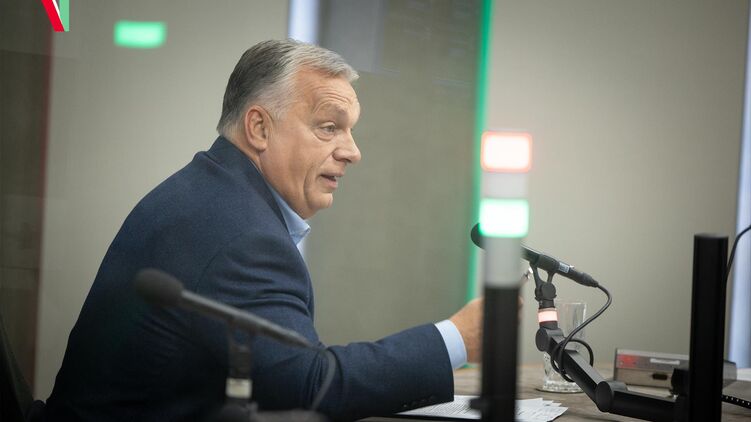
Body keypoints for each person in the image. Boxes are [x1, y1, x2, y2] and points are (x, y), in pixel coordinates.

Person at [45, 39, 483, 422]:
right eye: (329, 127)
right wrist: (457, 338)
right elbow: (309, 388)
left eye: (349, 131)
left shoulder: (211, 193)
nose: (352, 151)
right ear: (259, 128)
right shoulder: (239, 234)